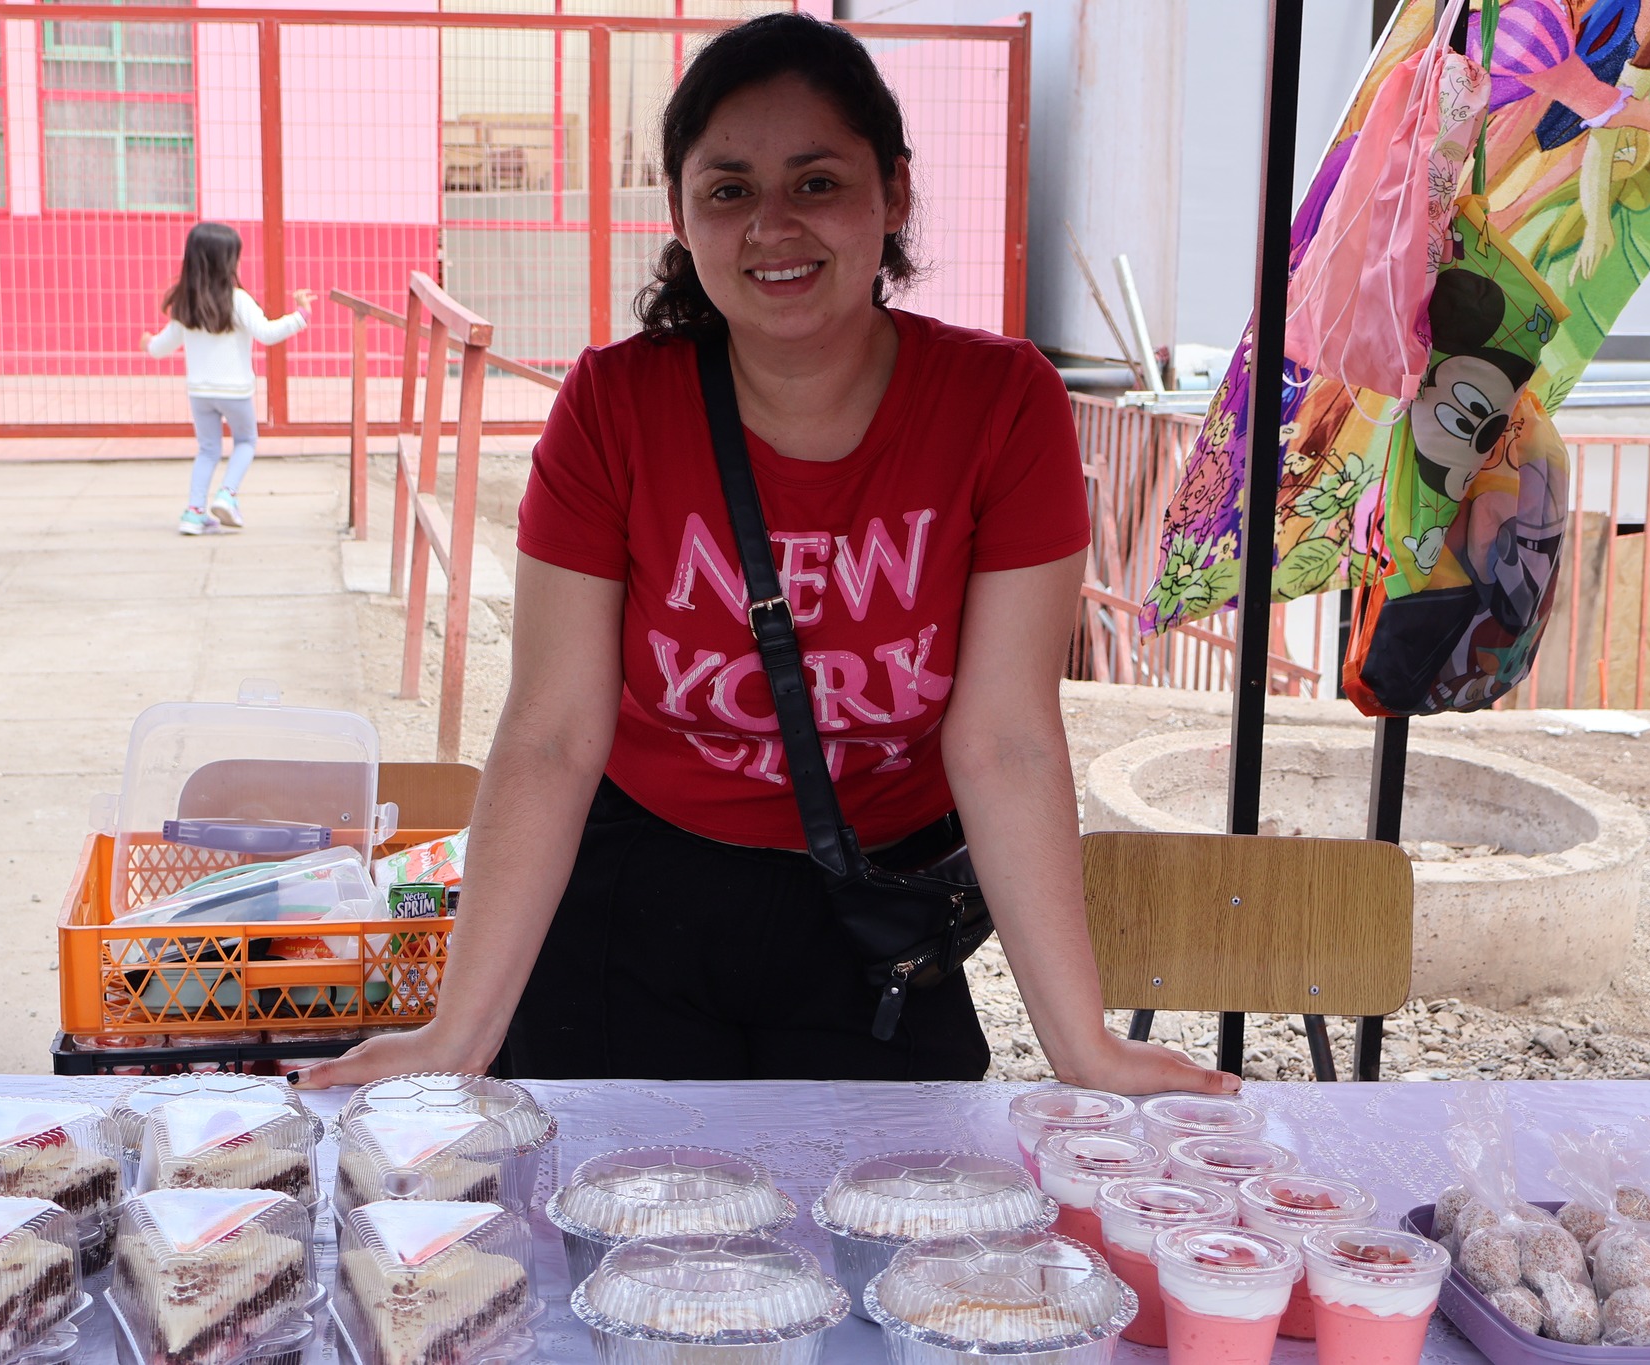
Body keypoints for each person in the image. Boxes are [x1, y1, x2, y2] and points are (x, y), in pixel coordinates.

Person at [296, 13, 1233, 1097]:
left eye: (817, 182)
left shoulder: (1001, 402)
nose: (772, 226)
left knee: (897, 1243)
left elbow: (1006, 742)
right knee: (615, 1236)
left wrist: (1085, 1050)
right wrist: (454, 1036)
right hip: (633, 894)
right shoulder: (613, 407)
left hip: (872, 907)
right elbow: (552, 735)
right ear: (684, 218)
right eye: (729, 189)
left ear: (894, 195)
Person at [142, 221, 316, 535]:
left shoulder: (186, 303)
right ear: (228, 262)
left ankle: (194, 512)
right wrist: (301, 315)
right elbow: (268, 332)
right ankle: (227, 495)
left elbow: (161, 347)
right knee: (246, 441)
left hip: (200, 393)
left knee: (208, 449)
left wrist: (148, 344)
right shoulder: (239, 300)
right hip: (235, 392)